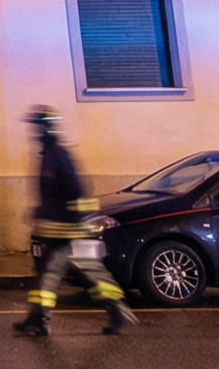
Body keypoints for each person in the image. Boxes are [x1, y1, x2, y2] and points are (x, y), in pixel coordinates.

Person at [13, 105, 136, 338]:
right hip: (61, 228)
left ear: (45, 128)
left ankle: (41, 320)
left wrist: (70, 221)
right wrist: (40, 212)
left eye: (37, 127)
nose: (34, 133)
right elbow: (52, 194)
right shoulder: (49, 154)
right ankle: (39, 319)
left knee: (58, 273)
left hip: (67, 230)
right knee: (73, 273)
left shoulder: (58, 154)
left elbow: (75, 189)